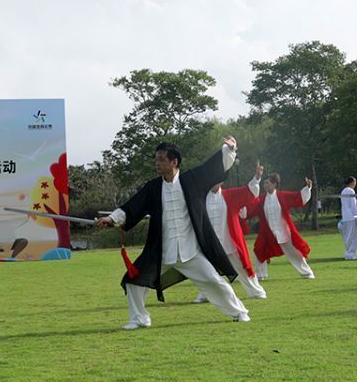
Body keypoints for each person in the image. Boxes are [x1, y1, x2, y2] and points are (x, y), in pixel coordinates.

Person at [96, 139, 250, 330]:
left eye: (161, 159)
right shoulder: (152, 188)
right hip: (162, 252)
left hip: (191, 251)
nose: (157, 163)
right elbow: (132, 206)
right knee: (133, 280)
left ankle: (240, 312)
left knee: (214, 281)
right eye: (156, 159)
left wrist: (229, 149)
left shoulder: (193, 180)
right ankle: (139, 319)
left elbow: (215, 167)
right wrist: (112, 219)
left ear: (174, 162)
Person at [194, 161, 266, 302]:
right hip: (211, 243)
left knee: (243, 268)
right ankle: (206, 294)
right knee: (208, 270)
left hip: (230, 241)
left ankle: (256, 291)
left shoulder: (230, 195)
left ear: (221, 182)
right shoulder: (201, 198)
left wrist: (257, 178)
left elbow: (249, 191)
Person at [254, 173, 315, 279]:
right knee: (259, 249)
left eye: (267, 183)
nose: (265, 185)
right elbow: (251, 207)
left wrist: (307, 188)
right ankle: (260, 275)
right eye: (264, 183)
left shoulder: (282, 196)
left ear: (274, 184)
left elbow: (298, 197)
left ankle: (307, 273)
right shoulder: (261, 199)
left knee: (294, 252)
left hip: (283, 231)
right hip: (267, 232)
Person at [338, 177, 357, 260]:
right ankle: (350, 254)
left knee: (353, 236)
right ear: (352, 183)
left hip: (346, 216)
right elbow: (353, 205)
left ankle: (353, 253)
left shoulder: (343, 191)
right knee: (351, 236)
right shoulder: (351, 191)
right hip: (351, 216)